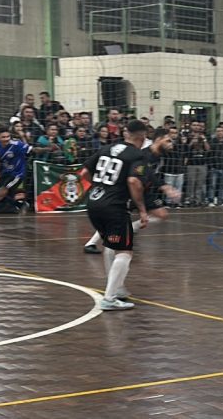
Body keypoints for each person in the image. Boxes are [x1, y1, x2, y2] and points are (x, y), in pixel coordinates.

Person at [80, 119, 151, 311]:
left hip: (94, 203)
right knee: (125, 251)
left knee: (111, 246)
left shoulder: (106, 148)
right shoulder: (138, 155)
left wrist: (100, 187)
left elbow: (84, 172)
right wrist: (142, 210)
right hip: (115, 207)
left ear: (126, 133)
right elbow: (134, 182)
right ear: (143, 137)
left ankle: (118, 289)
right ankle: (109, 298)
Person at [84, 127, 181, 254]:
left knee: (161, 214)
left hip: (144, 190)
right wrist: (165, 187)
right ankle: (95, 244)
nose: (171, 144)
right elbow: (141, 176)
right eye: (168, 140)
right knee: (115, 219)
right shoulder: (143, 155)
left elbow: (150, 175)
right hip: (134, 190)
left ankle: (128, 231)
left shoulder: (159, 156)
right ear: (158, 140)